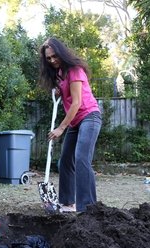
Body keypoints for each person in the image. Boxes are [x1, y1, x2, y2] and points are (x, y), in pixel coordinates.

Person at [39, 37, 102, 213]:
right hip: (76, 121)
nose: (52, 61)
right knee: (66, 160)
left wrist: (61, 128)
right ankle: (67, 203)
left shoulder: (75, 70)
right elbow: (67, 94)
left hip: (89, 116)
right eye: (49, 59)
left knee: (81, 158)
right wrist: (59, 90)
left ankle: (88, 207)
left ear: (61, 52)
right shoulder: (61, 74)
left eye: (54, 56)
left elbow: (76, 103)